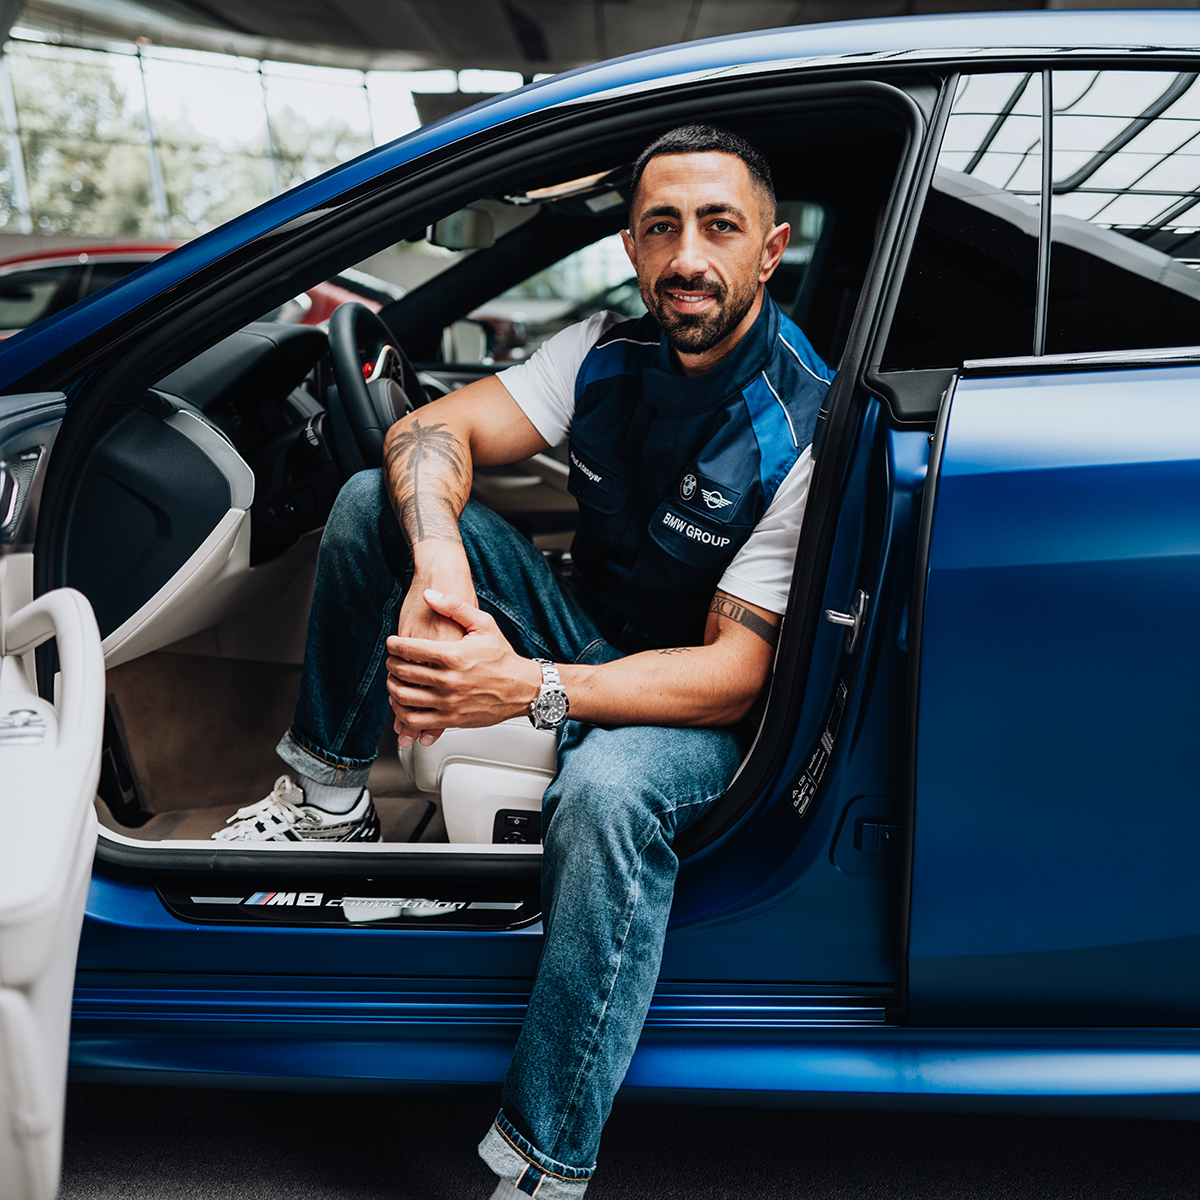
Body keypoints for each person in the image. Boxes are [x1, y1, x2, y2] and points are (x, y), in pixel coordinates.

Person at [215, 124, 833, 1197]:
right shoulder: (600, 352)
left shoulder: (803, 426)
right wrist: (441, 563)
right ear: (632, 248)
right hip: (588, 626)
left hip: (697, 704)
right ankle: (326, 801)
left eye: (719, 227)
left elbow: (736, 673)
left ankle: (544, 1166)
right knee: (374, 504)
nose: (688, 256)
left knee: (605, 794)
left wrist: (528, 689)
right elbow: (426, 434)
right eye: (661, 228)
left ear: (770, 250)